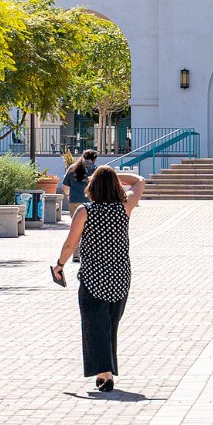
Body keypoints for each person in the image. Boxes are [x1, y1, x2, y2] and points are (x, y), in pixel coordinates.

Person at [53, 163, 144, 392]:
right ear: (116, 186)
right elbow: (139, 181)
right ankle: (107, 371)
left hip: (93, 277)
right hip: (120, 277)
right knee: (110, 326)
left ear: (92, 187)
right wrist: (111, 174)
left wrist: (60, 265)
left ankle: (105, 374)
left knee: (95, 327)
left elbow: (70, 243)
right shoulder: (125, 207)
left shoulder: (85, 211)